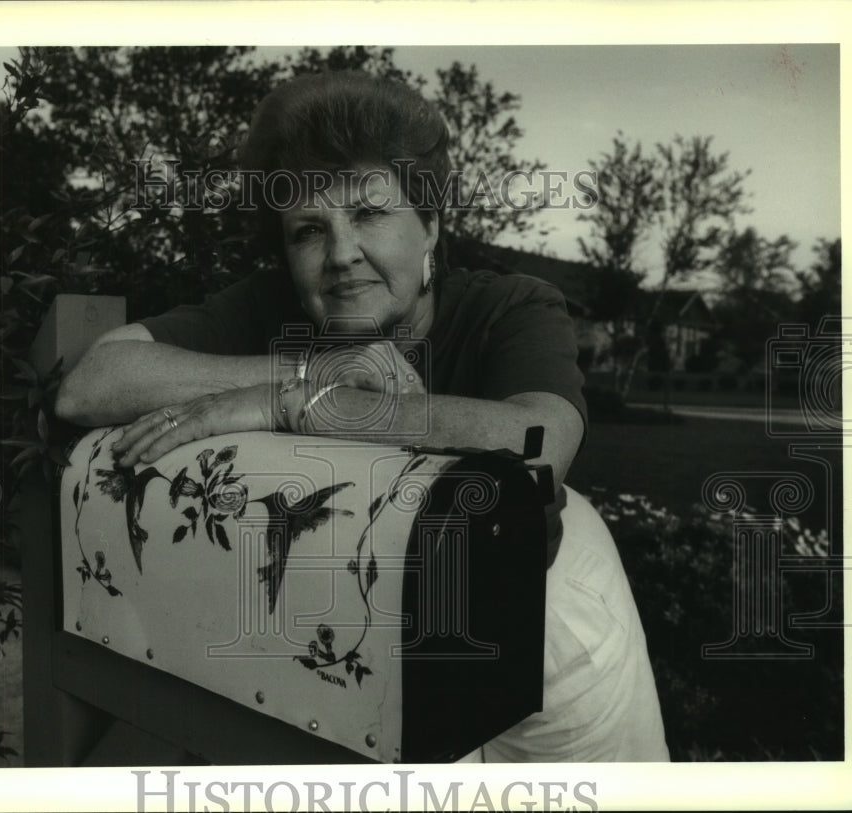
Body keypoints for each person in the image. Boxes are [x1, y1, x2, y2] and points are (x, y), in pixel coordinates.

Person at [56, 70, 668, 762]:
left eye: (370, 214)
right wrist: (302, 371)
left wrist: (289, 405)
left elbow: (538, 440)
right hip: (368, 660)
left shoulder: (513, 306)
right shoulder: (272, 306)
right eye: (309, 231)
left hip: (551, 646)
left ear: (431, 225)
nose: (341, 254)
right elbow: (92, 383)